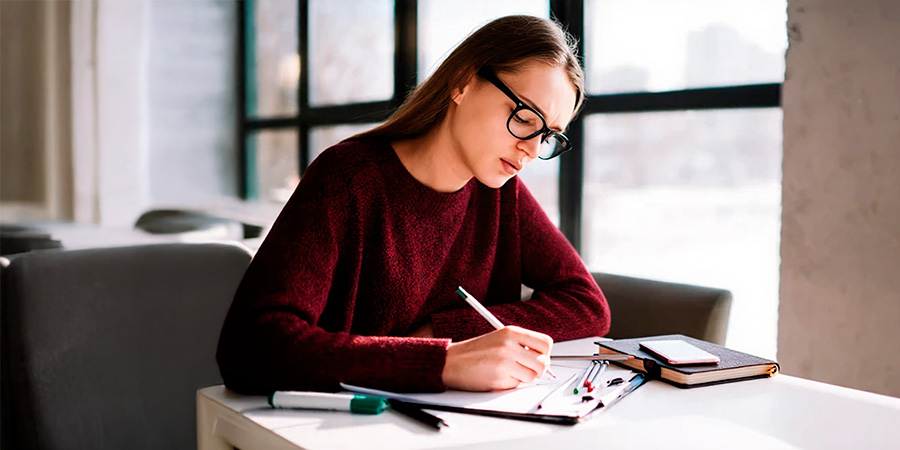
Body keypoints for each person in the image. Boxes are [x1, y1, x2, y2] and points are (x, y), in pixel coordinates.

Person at [216, 15, 610, 395]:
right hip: (338, 424)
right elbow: (251, 346)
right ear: (462, 82)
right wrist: (443, 362)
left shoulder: (502, 192)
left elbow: (588, 305)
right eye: (524, 117)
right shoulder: (347, 177)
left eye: (548, 136)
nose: (531, 149)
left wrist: (444, 330)